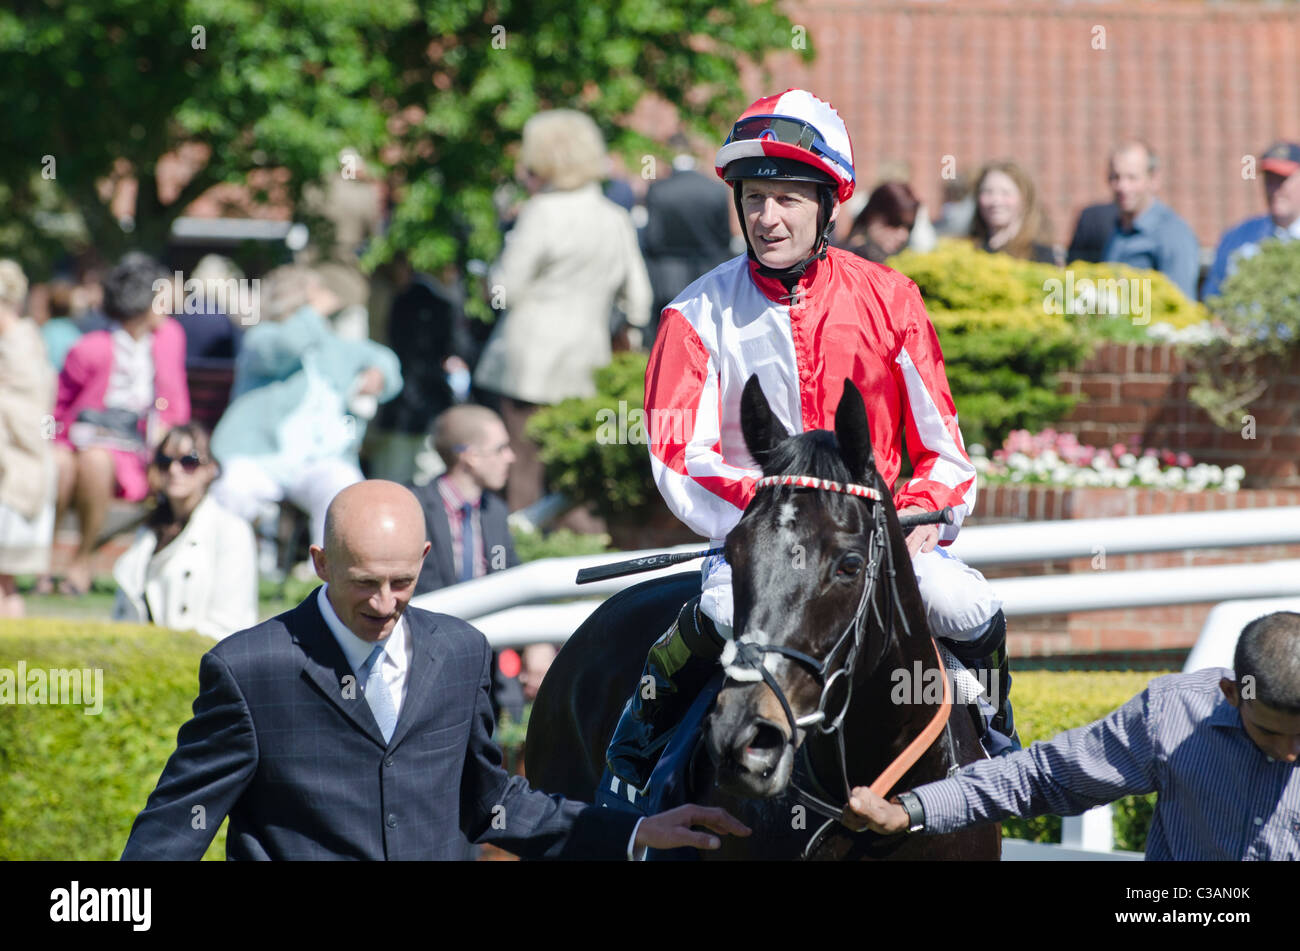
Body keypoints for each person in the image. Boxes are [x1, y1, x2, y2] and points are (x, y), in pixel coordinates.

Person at [600, 89, 1018, 811]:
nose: (768, 218)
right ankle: (634, 754)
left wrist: (911, 520)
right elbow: (676, 456)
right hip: (759, 545)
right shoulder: (693, 314)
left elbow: (947, 456)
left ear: (827, 207)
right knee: (724, 608)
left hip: (879, 543)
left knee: (963, 599)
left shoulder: (893, 299)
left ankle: (1002, 741)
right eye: (755, 198)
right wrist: (782, 516)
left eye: (788, 199)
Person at [120, 480, 749, 860]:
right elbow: (176, 823)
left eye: (402, 581)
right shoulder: (247, 669)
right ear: (319, 561)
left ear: (425, 557)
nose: (385, 603)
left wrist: (634, 830)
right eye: (363, 583)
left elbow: (491, 805)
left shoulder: (460, 652)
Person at [844, 611, 1300, 860]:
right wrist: (911, 809)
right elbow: (1045, 777)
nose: (1287, 752)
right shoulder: (1173, 714)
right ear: (1231, 693)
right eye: (1269, 732)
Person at [473, 108, 652, 512]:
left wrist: (486, 277)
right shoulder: (615, 217)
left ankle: (517, 560)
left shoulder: (540, 212)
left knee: (521, 473)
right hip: (586, 363)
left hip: (527, 364)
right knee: (572, 480)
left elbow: (505, 290)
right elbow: (639, 298)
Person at [209, 264, 402, 551]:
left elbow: (383, 358)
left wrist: (380, 373)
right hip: (260, 457)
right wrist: (312, 312)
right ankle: (232, 568)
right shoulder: (261, 338)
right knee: (232, 490)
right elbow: (288, 345)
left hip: (319, 460)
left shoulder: (333, 347)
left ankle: (328, 578)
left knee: (346, 488)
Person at [49, 253, 190, 596]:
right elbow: (58, 408)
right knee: (60, 464)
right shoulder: (90, 348)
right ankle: (46, 559)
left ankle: (82, 561)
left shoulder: (169, 337)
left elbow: (175, 402)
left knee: (95, 460)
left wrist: (167, 445)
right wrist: (50, 441)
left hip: (137, 450)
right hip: (80, 440)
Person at [112, 423, 257, 639]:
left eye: (189, 461)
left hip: (202, 661)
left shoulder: (231, 531)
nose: (174, 470)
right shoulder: (148, 531)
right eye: (164, 462)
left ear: (211, 470)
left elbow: (229, 623)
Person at [410, 405, 518, 596]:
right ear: (471, 457)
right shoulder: (416, 508)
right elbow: (418, 585)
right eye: (500, 449)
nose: (511, 457)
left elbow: (504, 571)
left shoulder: (494, 511)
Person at [0, 260, 57, 617]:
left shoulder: (19, 346)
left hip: (18, 475)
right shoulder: (22, 340)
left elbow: (32, 422)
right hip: (19, 466)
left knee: (4, 583)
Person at [641, 133, 734, 343]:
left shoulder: (658, 190)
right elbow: (724, 237)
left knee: (669, 334)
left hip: (668, 273)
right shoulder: (716, 189)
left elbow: (652, 239)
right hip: (709, 269)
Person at [1100, 142, 1201, 299]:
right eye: (1116, 177)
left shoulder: (1172, 233)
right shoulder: (1118, 230)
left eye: (1132, 178)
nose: (1122, 187)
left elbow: (1181, 302)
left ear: (1153, 179)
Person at [1203, 141, 1300, 299]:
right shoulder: (1238, 237)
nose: (1275, 190)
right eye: (1270, 179)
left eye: (1282, 180)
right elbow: (1213, 298)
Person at [969, 161, 1058, 264]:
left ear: (1024, 199)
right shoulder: (968, 251)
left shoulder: (1039, 255)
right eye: (988, 192)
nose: (996, 201)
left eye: (1005, 193)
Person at [842, 181, 921, 263]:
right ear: (872, 215)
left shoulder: (896, 261)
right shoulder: (849, 259)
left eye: (909, 227)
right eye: (895, 222)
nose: (903, 235)